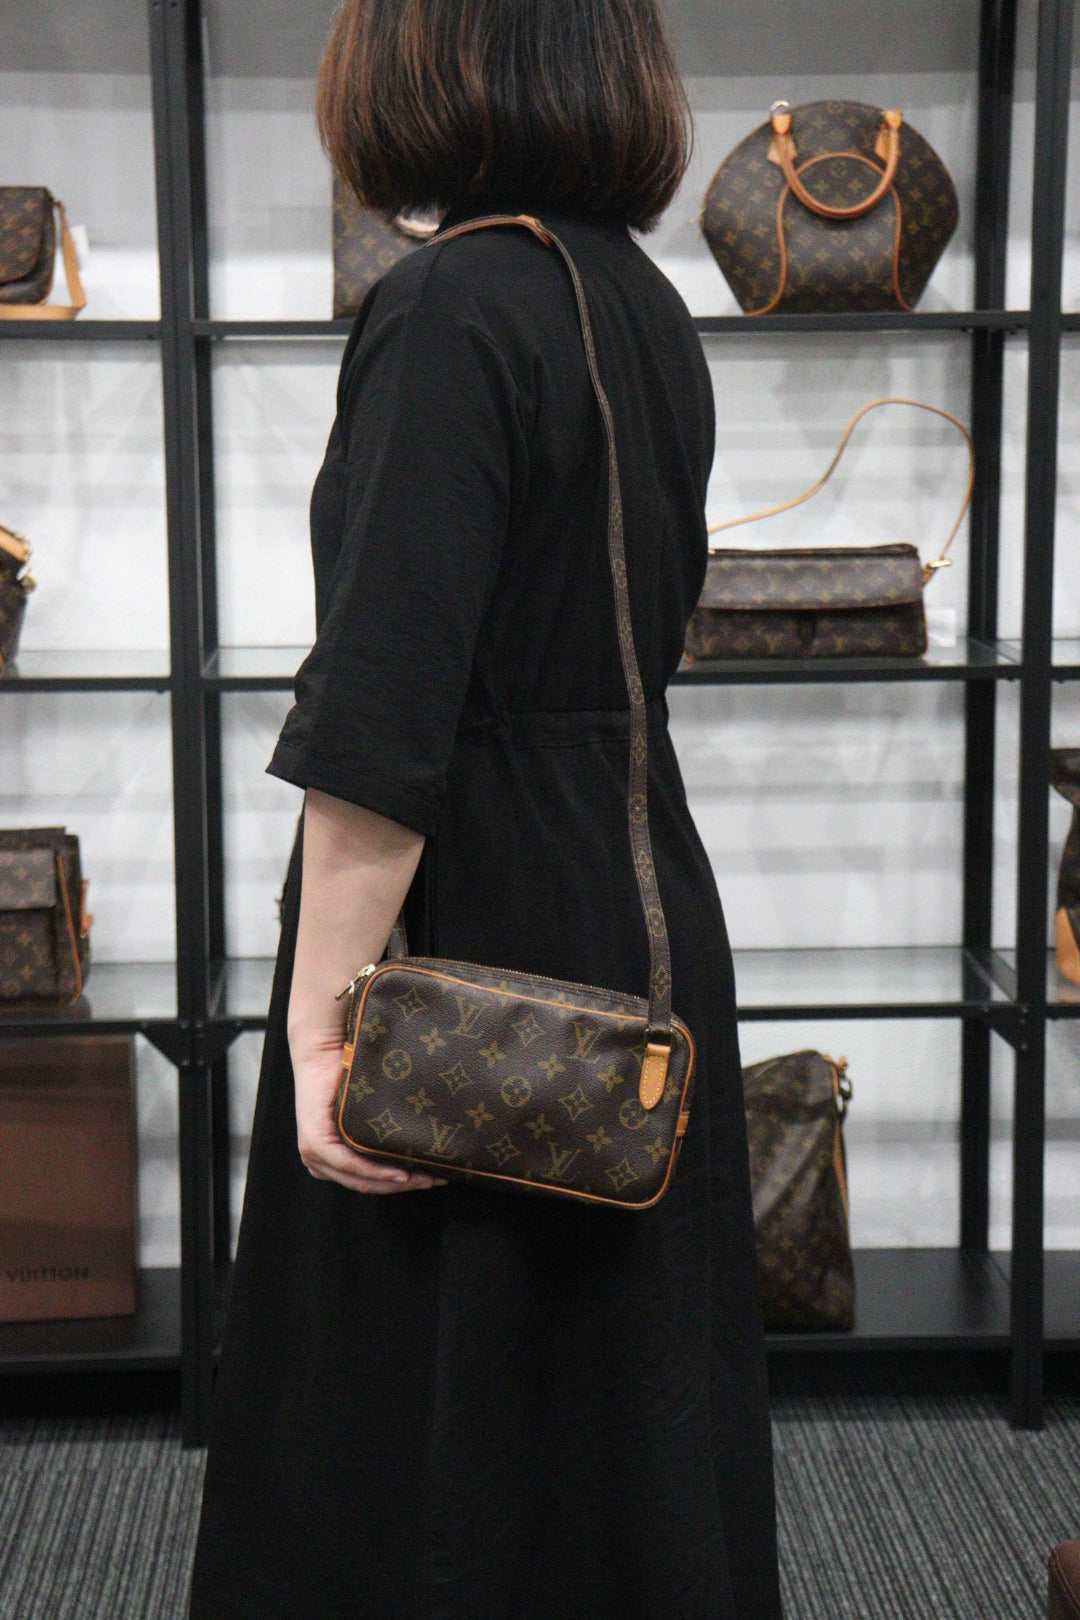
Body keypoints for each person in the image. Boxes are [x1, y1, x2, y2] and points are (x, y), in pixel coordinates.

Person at [187, 0, 783, 1614]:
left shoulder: (448, 300)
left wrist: (321, 1029)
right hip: (640, 892)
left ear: (417, 57)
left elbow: (386, 717)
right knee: (611, 1411)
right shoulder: (643, 300)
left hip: (471, 937)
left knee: (415, 1420)